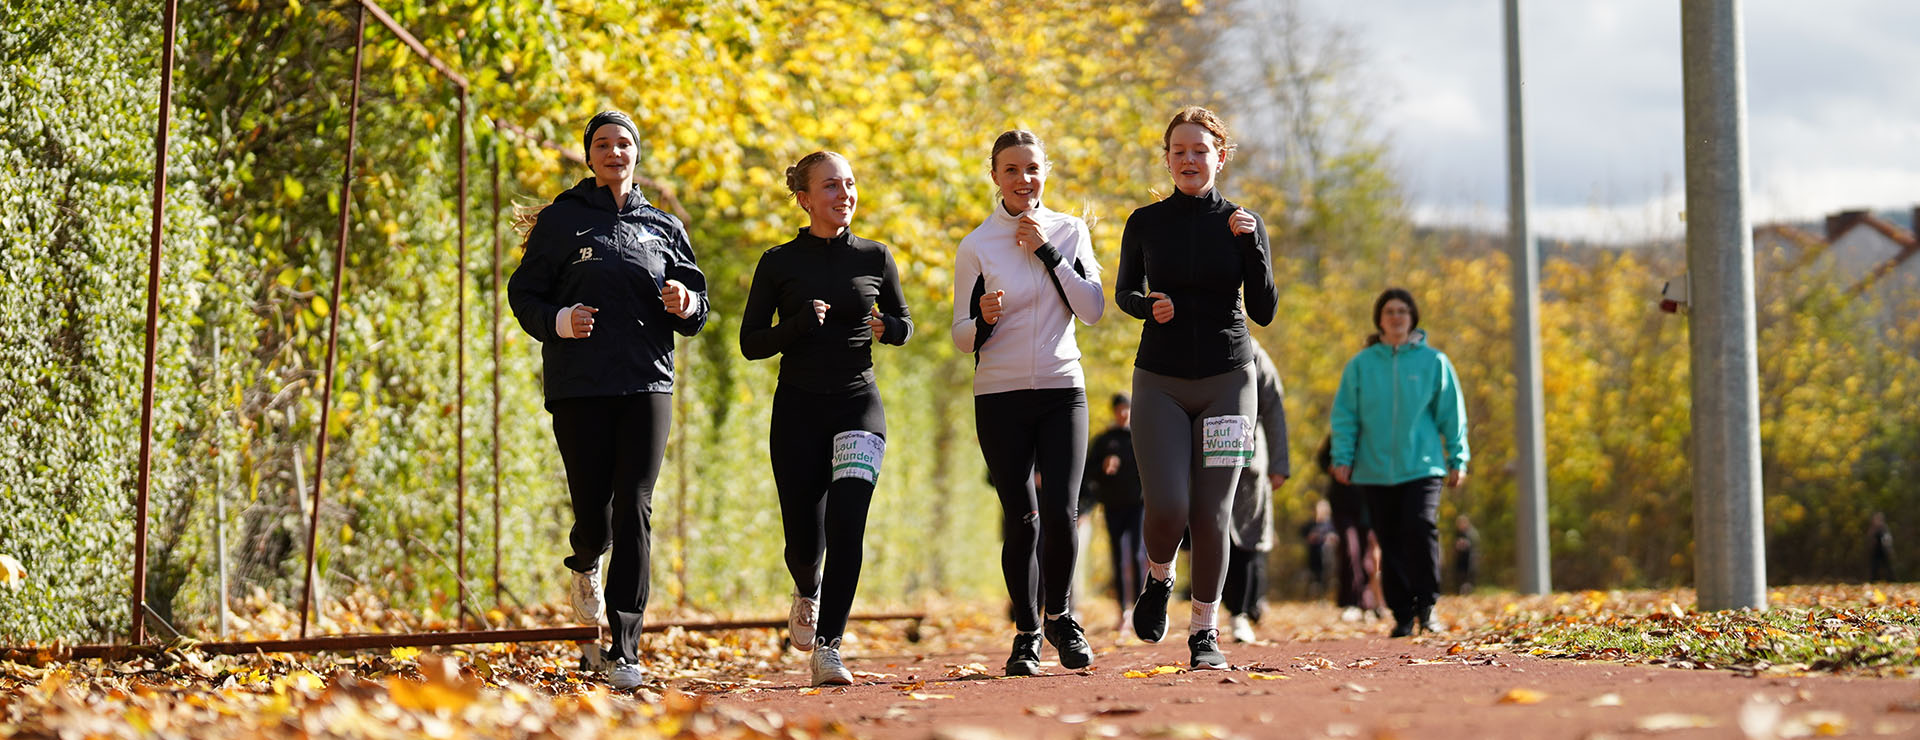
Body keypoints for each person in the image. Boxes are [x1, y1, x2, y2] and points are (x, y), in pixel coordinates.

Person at [506, 110, 709, 690]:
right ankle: (586, 559)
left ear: (636, 154)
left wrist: (686, 304)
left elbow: (699, 302)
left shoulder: (664, 226)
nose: (614, 152)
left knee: (636, 506)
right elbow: (524, 294)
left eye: (623, 143)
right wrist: (559, 321)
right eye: (603, 144)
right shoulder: (562, 222)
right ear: (589, 155)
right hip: (580, 386)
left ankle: (625, 648)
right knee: (593, 511)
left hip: (648, 383)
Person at [740, 150, 914, 686]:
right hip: (798, 408)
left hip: (859, 404)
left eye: (851, 184)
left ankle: (830, 648)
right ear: (805, 198)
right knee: (803, 533)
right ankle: (805, 587)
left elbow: (905, 323)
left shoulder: (876, 257)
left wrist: (892, 329)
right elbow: (751, 343)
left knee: (848, 521)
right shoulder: (778, 262)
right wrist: (795, 324)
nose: (845, 195)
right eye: (832, 186)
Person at [1114, 106, 1279, 669]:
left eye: (1200, 150)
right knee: (1168, 506)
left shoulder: (1242, 222)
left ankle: (1205, 631)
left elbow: (1264, 310)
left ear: (1220, 157)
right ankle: (1159, 578)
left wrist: (1252, 247)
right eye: (1179, 151)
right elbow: (1124, 293)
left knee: (1213, 513)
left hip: (1229, 378)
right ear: (1167, 159)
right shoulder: (1145, 221)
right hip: (1159, 379)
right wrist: (1145, 305)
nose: (1189, 159)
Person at [952, 130, 1105, 675]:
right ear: (994, 175)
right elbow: (962, 337)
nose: (1024, 179)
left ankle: (1062, 617)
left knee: (1063, 512)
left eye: (1033, 169)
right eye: (1012, 170)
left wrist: (1046, 251)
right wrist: (984, 317)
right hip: (1000, 393)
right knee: (1022, 518)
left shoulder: (1069, 229)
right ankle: (1027, 633)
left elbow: (1091, 309)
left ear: (1046, 172)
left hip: (1064, 387)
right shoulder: (976, 246)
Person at [1330, 288, 1469, 638]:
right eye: (1390, 311)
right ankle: (1403, 614)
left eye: (1403, 311)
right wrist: (1342, 458)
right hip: (1374, 469)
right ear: (1379, 319)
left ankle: (1428, 605)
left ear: (1413, 318)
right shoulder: (1360, 365)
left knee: (1420, 527)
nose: (1396, 317)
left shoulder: (1434, 362)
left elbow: (1452, 415)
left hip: (1422, 466)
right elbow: (1345, 417)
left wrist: (1458, 457)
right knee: (1389, 541)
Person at [1223, 341, 1290, 644]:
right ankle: (1211, 612)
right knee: (1211, 533)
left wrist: (1279, 463)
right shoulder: (1195, 337)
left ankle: (1240, 613)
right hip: (1203, 453)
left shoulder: (1254, 351)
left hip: (1250, 455)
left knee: (1247, 535)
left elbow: (1274, 404)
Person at [1082, 394, 1145, 634]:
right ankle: (1123, 611)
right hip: (1112, 505)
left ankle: (1141, 610)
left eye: (1127, 409)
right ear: (1114, 412)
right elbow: (1087, 473)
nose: (1123, 414)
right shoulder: (1104, 440)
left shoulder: (1141, 436)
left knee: (1139, 555)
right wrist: (1102, 467)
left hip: (1138, 505)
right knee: (1119, 555)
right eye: (1119, 410)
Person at [1316, 435, 1378, 622]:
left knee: (1367, 555)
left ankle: (1367, 602)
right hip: (1342, 503)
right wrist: (1332, 467)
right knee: (1350, 551)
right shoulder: (1338, 435)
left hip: (1368, 504)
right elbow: (1322, 459)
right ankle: (1350, 602)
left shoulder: (1372, 432)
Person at [1299, 501, 1335, 597]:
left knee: (1326, 576)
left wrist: (1329, 537)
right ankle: (1310, 596)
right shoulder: (1310, 524)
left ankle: (1324, 596)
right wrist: (1309, 537)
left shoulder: (1330, 524)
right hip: (1312, 555)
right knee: (1313, 575)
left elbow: (1336, 536)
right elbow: (1302, 533)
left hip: (1327, 556)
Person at [1451, 514, 1479, 594]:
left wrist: (1466, 545)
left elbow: (1475, 546)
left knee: (1468, 578)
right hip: (1460, 560)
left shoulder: (1472, 533)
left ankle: (1469, 592)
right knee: (1459, 577)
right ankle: (1460, 592)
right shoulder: (1457, 533)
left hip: (1470, 560)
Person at [1869, 512, 1895, 582]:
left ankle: (1891, 580)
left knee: (1887, 566)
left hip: (1883, 551)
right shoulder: (1874, 529)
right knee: (1874, 567)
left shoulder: (1884, 529)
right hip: (1876, 551)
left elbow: (1887, 539)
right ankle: (1873, 580)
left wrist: (1889, 549)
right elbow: (1871, 540)